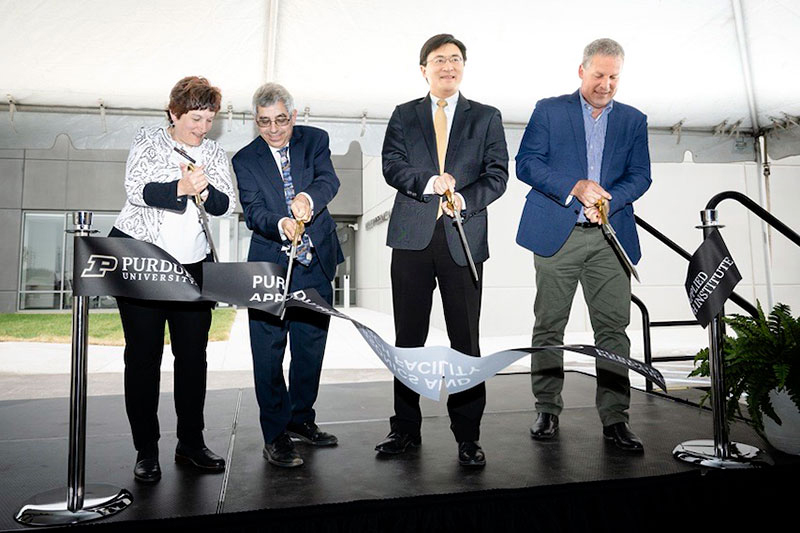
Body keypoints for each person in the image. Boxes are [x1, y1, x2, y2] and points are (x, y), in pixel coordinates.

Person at [377, 34, 509, 467]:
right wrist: (430, 184)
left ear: (463, 67)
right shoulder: (403, 115)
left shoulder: (487, 117)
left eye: (455, 59)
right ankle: (405, 429)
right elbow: (392, 165)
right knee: (407, 341)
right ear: (424, 69)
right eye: (439, 60)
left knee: (466, 341)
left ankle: (468, 436)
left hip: (463, 238)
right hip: (412, 239)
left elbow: (498, 175)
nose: (447, 66)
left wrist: (465, 197)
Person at [515, 38, 651, 451]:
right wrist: (574, 188)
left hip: (611, 240)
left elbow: (641, 175)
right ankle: (547, 409)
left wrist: (610, 198)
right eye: (599, 75)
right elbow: (526, 163)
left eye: (614, 77)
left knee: (613, 328)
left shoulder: (633, 119)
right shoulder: (548, 110)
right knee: (549, 325)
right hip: (558, 236)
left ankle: (615, 418)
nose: (606, 84)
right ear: (581, 71)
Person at [111, 76, 236, 482]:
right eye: (195, 119)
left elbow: (226, 204)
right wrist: (180, 186)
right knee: (143, 359)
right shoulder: (148, 140)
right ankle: (146, 450)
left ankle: (191, 443)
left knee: (193, 360)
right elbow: (135, 189)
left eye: (209, 120)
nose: (202, 128)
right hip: (143, 264)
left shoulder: (215, 152)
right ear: (174, 113)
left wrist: (204, 192)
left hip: (193, 269)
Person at [232, 83, 343, 468]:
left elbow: (329, 180)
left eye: (281, 120)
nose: (274, 129)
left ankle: (300, 419)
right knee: (268, 354)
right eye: (264, 122)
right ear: (255, 121)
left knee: (310, 350)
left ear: (293, 116)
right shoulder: (245, 160)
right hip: (269, 267)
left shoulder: (315, 140)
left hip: (314, 263)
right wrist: (281, 222)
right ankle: (275, 434)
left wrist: (307, 199)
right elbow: (253, 211)